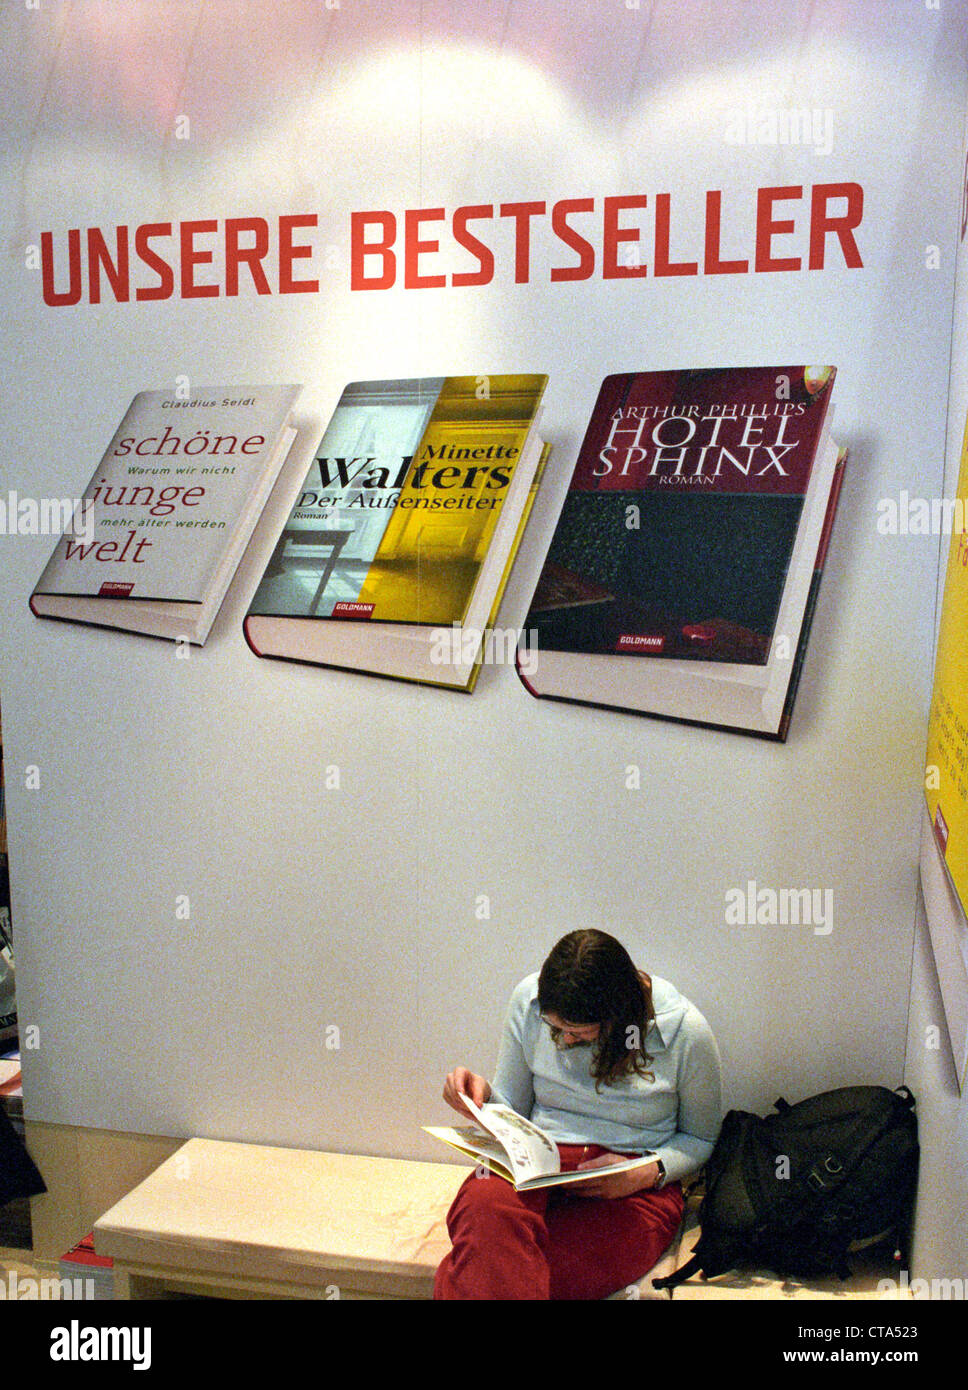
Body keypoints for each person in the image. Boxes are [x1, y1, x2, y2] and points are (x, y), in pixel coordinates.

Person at [434, 928, 722, 1300]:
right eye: (557, 1029)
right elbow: (513, 1108)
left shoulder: (686, 1032)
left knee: (500, 1271)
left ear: (618, 1017)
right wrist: (483, 1098)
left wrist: (644, 1172)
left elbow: (702, 1138)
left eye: (579, 1033)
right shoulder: (529, 999)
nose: (566, 1040)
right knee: (483, 1208)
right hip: (538, 1160)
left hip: (633, 1182)